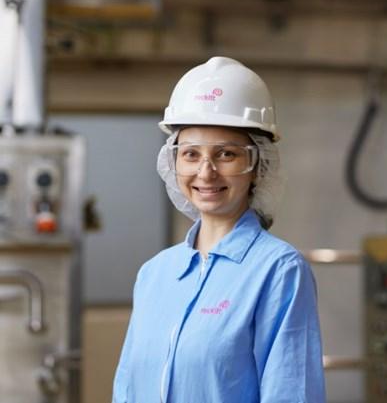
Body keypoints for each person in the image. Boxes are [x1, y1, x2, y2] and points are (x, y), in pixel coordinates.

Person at [112, 56, 326, 403]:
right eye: (191, 154)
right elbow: (126, 389)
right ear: (173, 162)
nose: (206, 172)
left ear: (258, 165)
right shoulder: (154, 275)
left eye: (226, 154)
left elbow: (291, 393)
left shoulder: (278, 271)